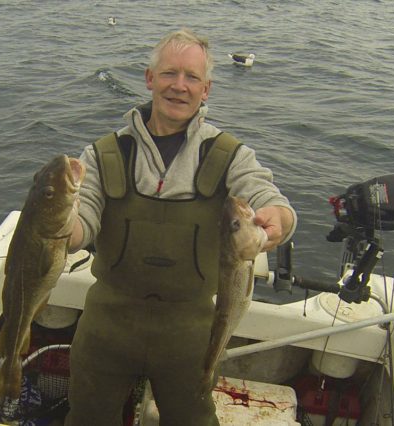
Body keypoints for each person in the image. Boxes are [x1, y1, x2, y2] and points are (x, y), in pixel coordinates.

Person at [65, 28, 297, 426]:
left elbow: (266, 195)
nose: (179, 86)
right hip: (106, 326)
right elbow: (81, 224)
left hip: (191, 334)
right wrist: (59, 225)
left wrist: (278, 218)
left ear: (206, 90)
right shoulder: (103, 153)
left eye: (191, 78)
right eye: (170, 73)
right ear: (149, 79)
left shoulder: (230, 155)